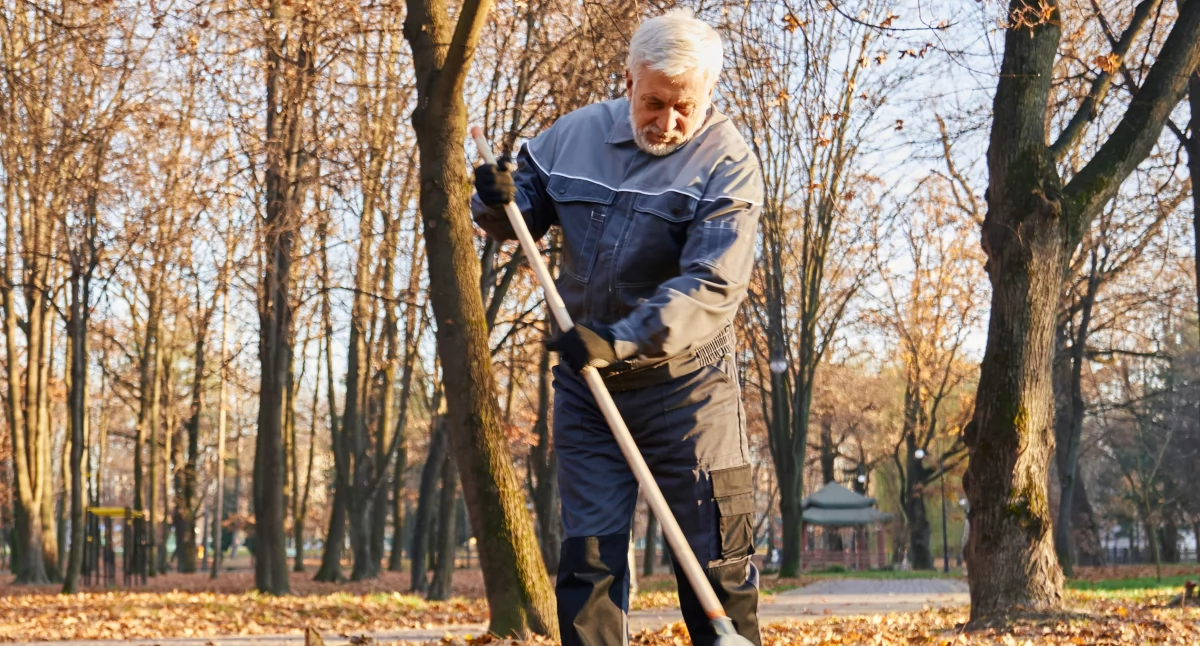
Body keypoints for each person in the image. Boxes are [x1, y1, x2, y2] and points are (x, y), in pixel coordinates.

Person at [471, 9, 763, 646]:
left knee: (717, 561)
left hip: (688, 390)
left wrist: (622, 338)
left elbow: (712, 285)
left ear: (708, 93)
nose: (668, 123)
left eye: (684, 106)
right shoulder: (573, 136)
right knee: (590, 563)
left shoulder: (727, 164)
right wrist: (495, 199)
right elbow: (519, 209)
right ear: (628, 79)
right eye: (654, 102)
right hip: (588, 392)